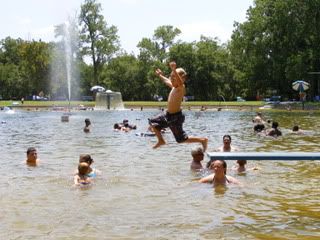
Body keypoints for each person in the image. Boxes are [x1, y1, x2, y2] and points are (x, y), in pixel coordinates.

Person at [149, 61, 208, 150]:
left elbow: (180, 83)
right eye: (171, 77)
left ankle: (202, 140)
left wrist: (174, 70)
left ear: (182, 78)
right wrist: (160, 75)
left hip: (176, 117)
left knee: (181, 139)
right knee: (153, 123)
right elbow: (166, 80)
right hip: (167, 115)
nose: (171, 79)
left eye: (174, 78)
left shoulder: (181, 88)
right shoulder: (173, 87)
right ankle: (161, 141)